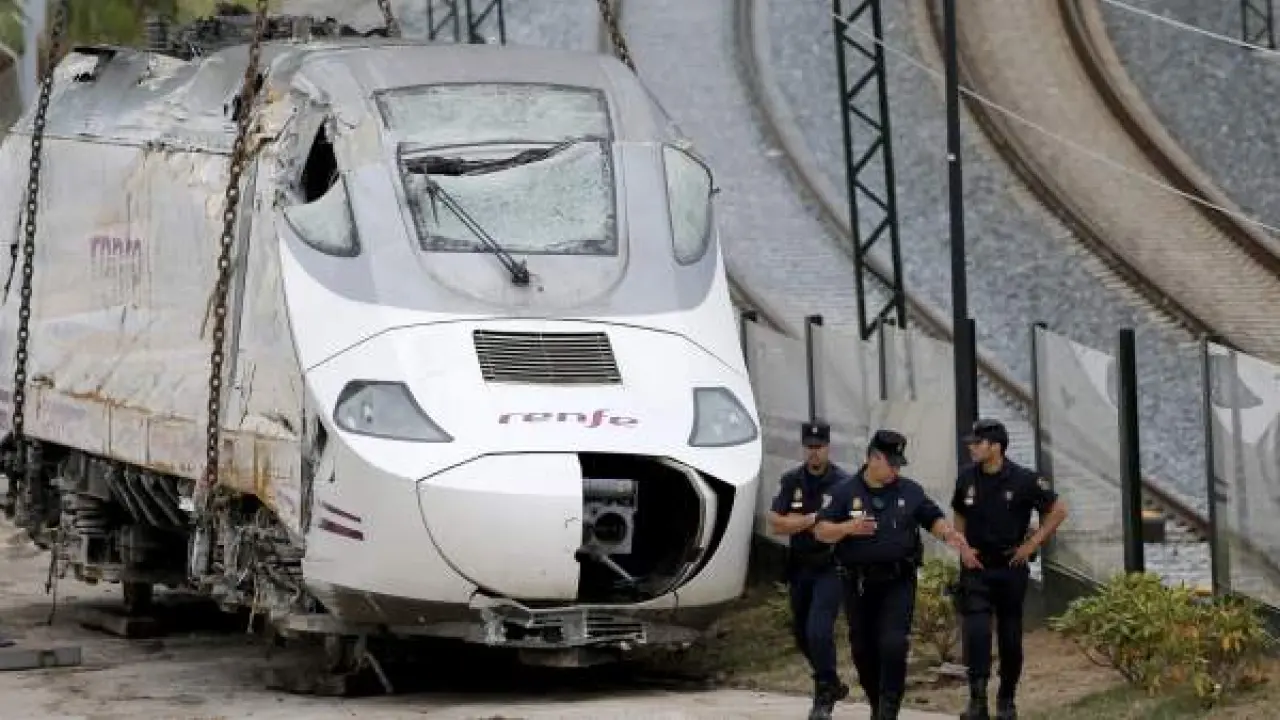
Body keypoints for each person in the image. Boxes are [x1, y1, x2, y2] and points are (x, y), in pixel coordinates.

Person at [815, 429, 980, 720]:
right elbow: (821, 530)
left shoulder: (909, 491)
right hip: (858, 584)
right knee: (862, 649)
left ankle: (888, 710)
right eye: (891, 464)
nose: (895, 470)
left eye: (898, 465)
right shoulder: (845, 492)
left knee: (894, 644)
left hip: (898, 581)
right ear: (873, 458)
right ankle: (876, 703)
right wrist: (847, 528)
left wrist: (950, 535)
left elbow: (931, 517)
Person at [951, 419, 1069, 720]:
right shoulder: (966, 477)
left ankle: (1006, 699)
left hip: (1010, 567)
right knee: (976, 632)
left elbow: (1058, 510)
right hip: (976, 567)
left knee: (1010, 636)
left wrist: (1032, 544)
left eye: (978, 443)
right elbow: (959, 514)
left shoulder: (1024, 480)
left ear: (996, 447)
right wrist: (963, 548)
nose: (972, 448)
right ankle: (977, 700)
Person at [766, 420, 851, 720]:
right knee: (802, 633)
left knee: (819, 629)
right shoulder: (792, 480)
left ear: (828, 448)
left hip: (831, 565)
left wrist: (798, 520)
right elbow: (776, 524)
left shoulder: (842, 483)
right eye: (810, 447)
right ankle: (831, 681)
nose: (814, 452)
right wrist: (812, 519)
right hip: (800, 566)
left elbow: (843, 526)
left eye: (820, 447)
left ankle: (823, 697)